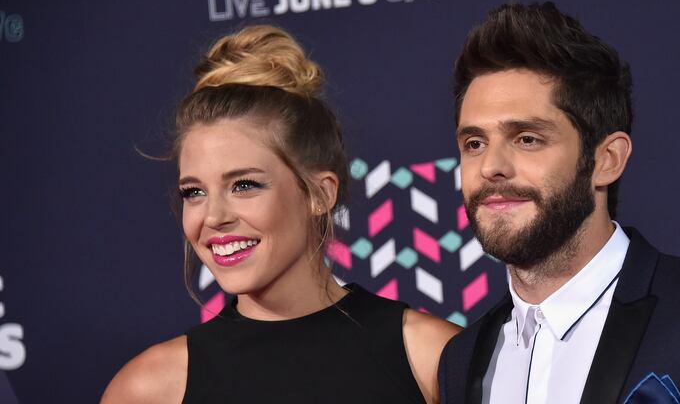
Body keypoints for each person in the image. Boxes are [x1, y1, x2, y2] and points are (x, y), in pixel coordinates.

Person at [439, 2, 680, 404]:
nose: (491, 167)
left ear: (606, 161)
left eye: (527, 138)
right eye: (474, 143)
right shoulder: (460, 359)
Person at [102, 25, 459, 404]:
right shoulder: (150, 389)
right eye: (194, 192)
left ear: (320, 194)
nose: (214, 216)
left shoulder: (432, 357)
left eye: (244, 185)